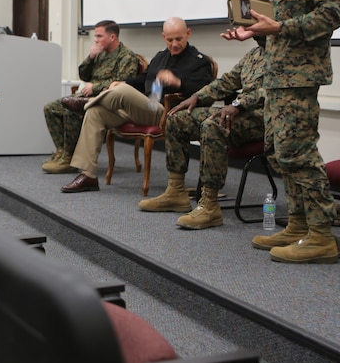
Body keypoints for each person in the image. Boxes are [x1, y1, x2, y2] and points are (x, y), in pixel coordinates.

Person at [222, 0, 340, 263]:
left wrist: (281, 26)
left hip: (299, 76)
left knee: (299, 153)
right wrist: (257, 31)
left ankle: (322, 236)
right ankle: (298, 225)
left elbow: (334, 12)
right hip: (279, 75)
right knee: (279, 153)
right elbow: (281, 26)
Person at [61, 17, 213, 193]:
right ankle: (88, 176)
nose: (174, 44)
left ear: (188, 34)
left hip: (168, 112)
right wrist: (121, 82)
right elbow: (142, 80)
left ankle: (86, 102)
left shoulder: (198, 60)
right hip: (146, 106)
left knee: (122, 92)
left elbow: (206, 91)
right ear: (164, 37)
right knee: (96, 112)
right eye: (170, 40)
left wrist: (179, 82)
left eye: (179, 39)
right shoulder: (160, 57)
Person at [140, 39, 267, 226]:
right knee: (176, 119)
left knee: (213, 125)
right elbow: (226, 81)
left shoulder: (283, 53)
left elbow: (274, 91)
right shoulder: (254, 54)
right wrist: (196, 97)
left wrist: (239, 104)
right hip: (241, 113)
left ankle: (209, 205)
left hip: (264, 119)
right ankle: (176, 192)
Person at [42, 20, 139, 174]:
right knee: (50, 108)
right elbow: (83, 75)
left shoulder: (126, 56)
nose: (96, 40)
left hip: (106, 100)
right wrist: (91, 57)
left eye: (99, 36)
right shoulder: (100, 54)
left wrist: (95, 87)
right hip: (87, 96)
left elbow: (122, 84)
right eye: (95, 36)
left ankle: (69, 159)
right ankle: (62, 151)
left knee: (71, 110)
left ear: (112, 37)